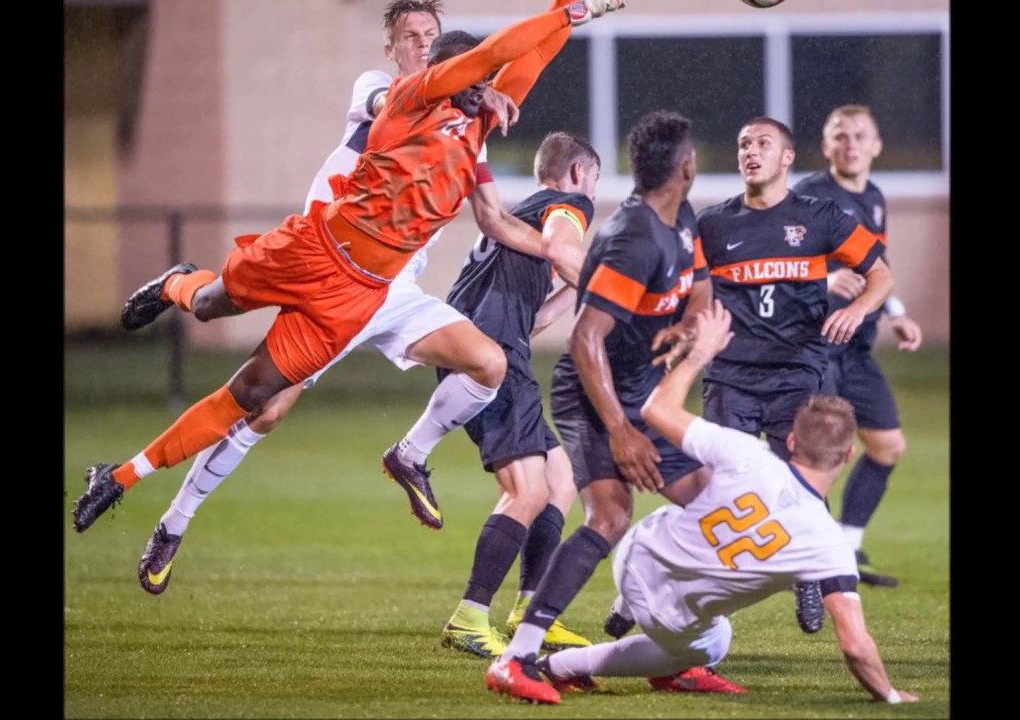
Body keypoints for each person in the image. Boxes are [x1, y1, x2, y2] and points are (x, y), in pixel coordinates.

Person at [71, 0, 625, 536]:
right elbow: (498, 52)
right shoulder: (409, 95)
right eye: (476, 82)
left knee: (255, 396)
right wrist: (575, 13)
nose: (488, 94)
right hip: (313, 249)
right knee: (211, 304)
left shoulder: (474, 127)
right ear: (450, 73)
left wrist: (567, 8)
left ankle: (118, 476)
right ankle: (176, 283)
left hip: (362, 293)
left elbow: (528, 58)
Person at [531, 300, 919, 706]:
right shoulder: (828, 544)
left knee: (700, 493)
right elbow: (855, 646)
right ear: (848, 455)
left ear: (790, 441)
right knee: (713, 643)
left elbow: (657, 408)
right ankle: (566, 666)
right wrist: (889, 695)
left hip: (634, 554)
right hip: (668, 616)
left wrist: (701, 353)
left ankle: (618, 610)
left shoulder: (744, 452)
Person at [486, 110, 720, 705]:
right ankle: (517, 660)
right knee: (610, 517)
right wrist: (620, 431)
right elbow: (585, 340)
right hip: (594, 392)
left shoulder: (680, 219)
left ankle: (670, 651)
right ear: (686, 167)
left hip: (639, 386)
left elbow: (699, 286)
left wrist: (690, 326)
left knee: (707, 502)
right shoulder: (631, 238)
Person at [693, 117, 892, 634]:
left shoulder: (820, 216)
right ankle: (690, 596)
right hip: (730, 375)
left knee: (802, 485)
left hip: (797, 372)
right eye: (742, 144)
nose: (750, 152)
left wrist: (858, 310)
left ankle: (809, 576)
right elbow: (689, 292)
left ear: (787, 158)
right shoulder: (712, 224)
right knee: (720, 489)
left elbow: (880, 273)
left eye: (763, 144)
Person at [436, 131, 600, 659]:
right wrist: (616, 292)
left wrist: (577, 286)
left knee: (560, 478)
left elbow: (533, 316)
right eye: (594, 181)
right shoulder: (567, 205)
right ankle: (469, 616)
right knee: (527, 490)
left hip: (485, 348)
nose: (591, 195)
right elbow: (561, 245)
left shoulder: (520, 216)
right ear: (578, 174)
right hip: (494, 359)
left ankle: (534, 614)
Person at [792, 104, 923, 588]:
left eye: (859, 135)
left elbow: (876, 266)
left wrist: (896, 313)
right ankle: (808, 562)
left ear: (876, 145)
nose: (850, 143)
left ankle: (845, 547)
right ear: (826, 146)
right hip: (819, 343)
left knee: (887, 446)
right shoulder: (808, 195)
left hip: (859, 347)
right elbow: (783, 258)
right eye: (840, 135)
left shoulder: (874, 197)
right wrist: (826, 277)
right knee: (817, 454)